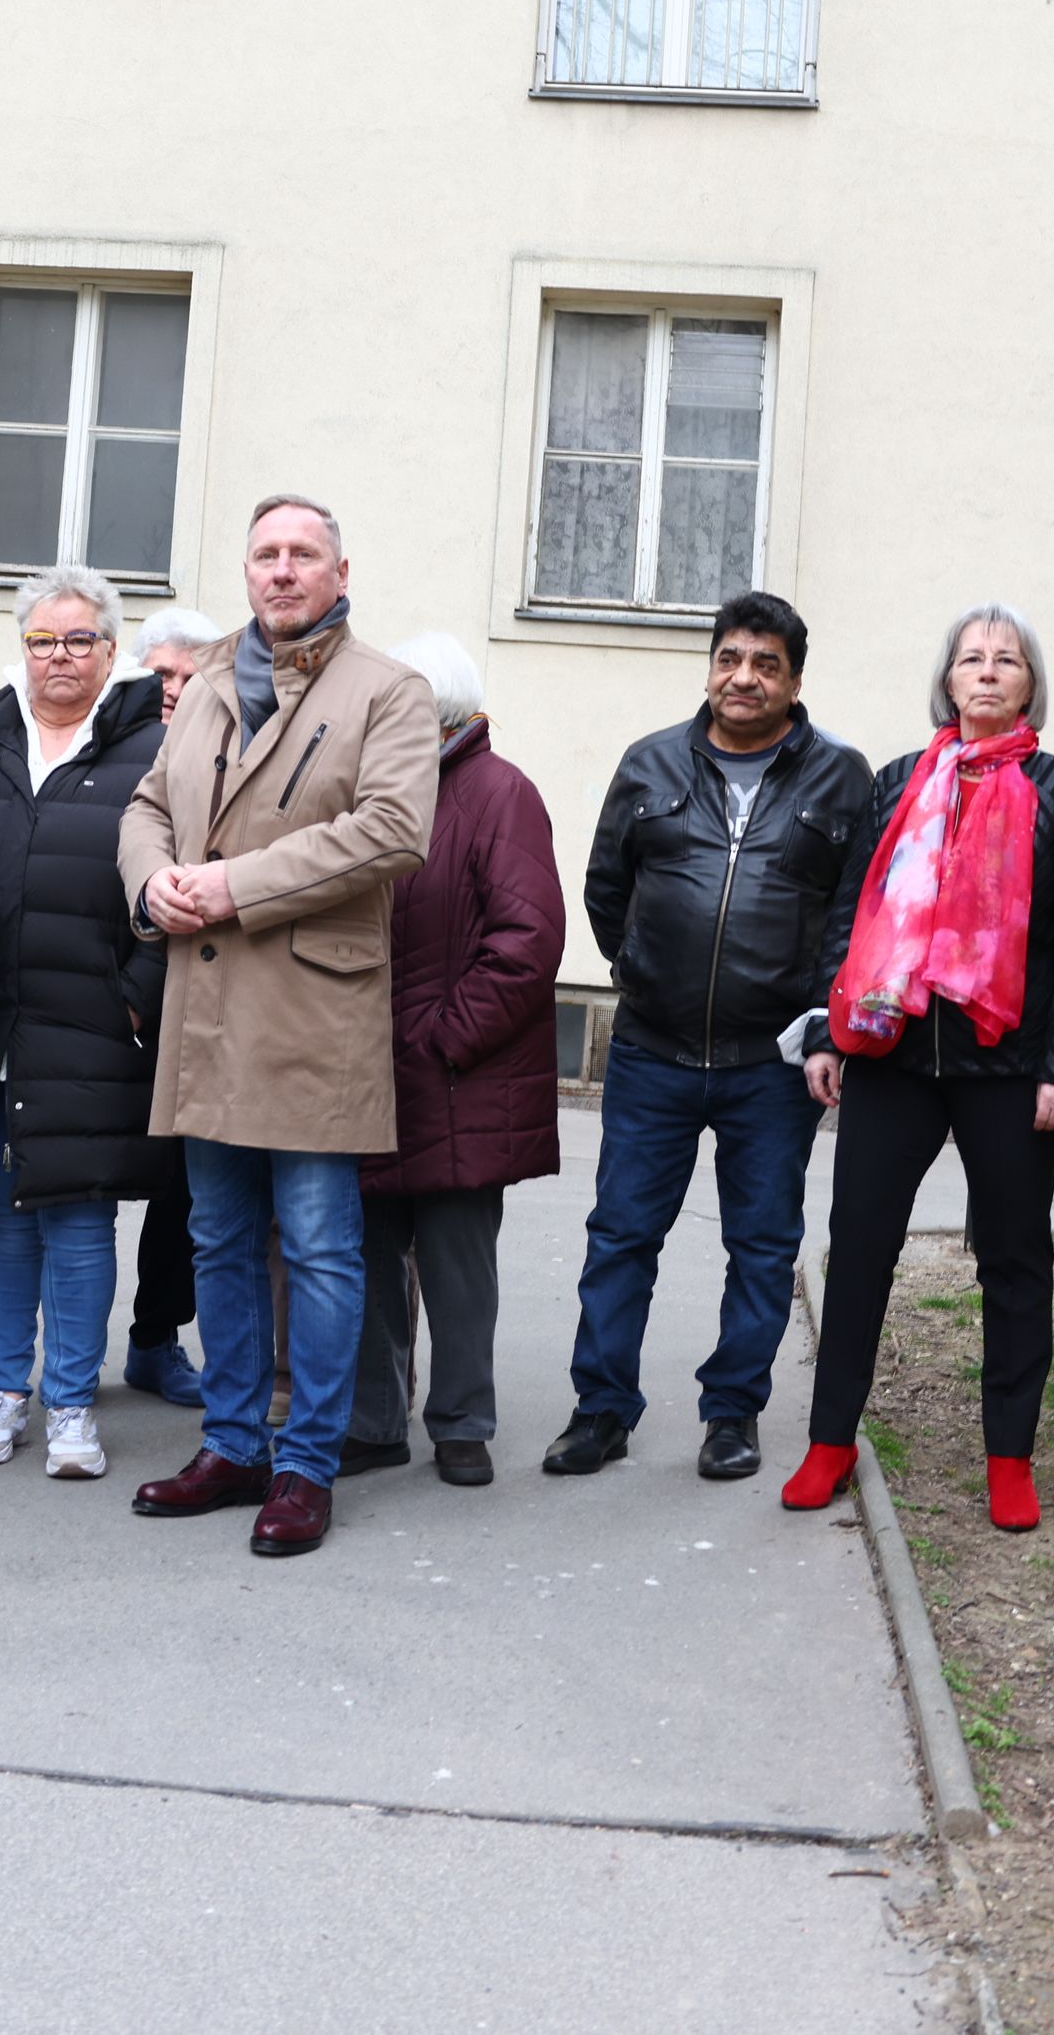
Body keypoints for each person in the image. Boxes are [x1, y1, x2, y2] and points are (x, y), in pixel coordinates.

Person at [118, 494, 438, 1559]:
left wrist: (228, 887)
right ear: (247, 570)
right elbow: (146, 806)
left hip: (311, 1006)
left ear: (341, 572)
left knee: (317, 1248)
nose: (283, 570)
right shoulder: (207, 678)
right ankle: (233, 1445)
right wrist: (153, 880)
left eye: (304, 554)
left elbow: (391, 830)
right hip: (206, 1005)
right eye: (266, 554)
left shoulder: (389, 691)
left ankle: (305, 1464)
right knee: (216, 1241)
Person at [786, 605, 1054, 1530]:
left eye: (1006, 660)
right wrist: (825, 1033)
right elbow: (850, 917)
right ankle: (829, 1442)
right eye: (972, 657)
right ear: (949, 677)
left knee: (1013, 1260)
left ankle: (1010, 1457)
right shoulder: (897, 783)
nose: (988, 671)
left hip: (1010, 1067)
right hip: (892, 1056)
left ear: (1028, 683)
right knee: (858, 1252)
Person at [549, 591, 874, 1485]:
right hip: (652, 1050)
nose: (744, 676)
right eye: (731, 657)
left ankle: (732, 1412)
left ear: (794, 680)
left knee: (763, 1244)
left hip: (770, 1062)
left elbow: (850, 918)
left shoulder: (841, 778)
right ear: (710, 666)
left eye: (766, 663)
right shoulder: (650, 762)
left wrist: (820, 1028)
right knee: (620, 1234)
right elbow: (605, 888)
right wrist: (642, 970)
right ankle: (601, 1410)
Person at [0, 564, 170, 1479]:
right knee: (1, 1218)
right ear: (20, 646)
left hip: (95, 1028)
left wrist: (136, 993)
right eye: (41, 639)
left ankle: (71, 1404)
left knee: (79, 1221)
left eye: (78, 639)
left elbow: (176, 883)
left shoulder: (154, 749)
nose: (58, 656)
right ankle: (2, 1394)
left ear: (111, 649)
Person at [346, 633, 563, 1489]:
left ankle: (463, 1423)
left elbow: (528, 941)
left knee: (456, 1265)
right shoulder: (381, 792)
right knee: (363, 1257)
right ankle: (372, 1421)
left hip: (454, 1075)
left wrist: (443, 1038)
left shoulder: (498, 793)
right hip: (368, 1073)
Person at [113, 603, 228, 1410]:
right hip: (94, 1001)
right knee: (78, 1187)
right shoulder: (105, 748)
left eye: (190, 675)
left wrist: (143, 995)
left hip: (174, 1000)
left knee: (179, 1188)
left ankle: (157, 1335)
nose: (174, 689)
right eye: (162, 674)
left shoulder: (218, 757)